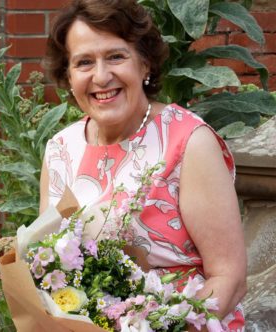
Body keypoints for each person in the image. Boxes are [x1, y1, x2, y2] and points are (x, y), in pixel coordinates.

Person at [39, 0, 247, 330]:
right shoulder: (60, 150)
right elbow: (49, 264)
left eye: (116, 56)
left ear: (144, 64)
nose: (101, 76)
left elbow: (229, 278)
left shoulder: (188, 141)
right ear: (67, 75)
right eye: (84, 62)